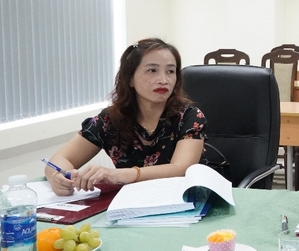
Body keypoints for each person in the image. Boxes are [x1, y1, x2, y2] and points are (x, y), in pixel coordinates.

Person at [45, 38, 207, 196]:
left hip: (184, 201)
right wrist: (60, 177)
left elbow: (181, 169)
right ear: (130, 78)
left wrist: (119, 175)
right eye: (152, 70)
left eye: (170, 71)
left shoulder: (189, 116)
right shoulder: (110, 120)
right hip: (130, 205)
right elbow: (58, 159)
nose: (163, 80)